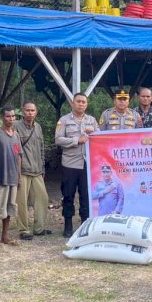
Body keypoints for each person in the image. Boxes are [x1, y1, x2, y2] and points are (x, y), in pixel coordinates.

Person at [55, 93, 98, 236]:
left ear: (87, 104)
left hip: (87, 163)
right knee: (68, 195)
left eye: (83, 102)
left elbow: (100, 139)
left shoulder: (92, 120)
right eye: (78, 101)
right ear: (72, 104)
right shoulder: (64, 120)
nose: (81, 104)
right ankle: (68, 226)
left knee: (86, 196)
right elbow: (58, 140)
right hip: (70, 164)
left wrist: (94, 134)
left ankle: (85, 226)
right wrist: (76, 140)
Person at [15, 101, 51, 240]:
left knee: (42, 198)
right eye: (27, 110)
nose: (30, 113)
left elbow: (42, 148)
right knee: (22, 202)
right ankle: (23, 230)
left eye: (33, 110)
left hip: (37, 171)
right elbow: (14, 150)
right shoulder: (16, 126)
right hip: (23, 170)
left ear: (36, 112)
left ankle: (39, 228)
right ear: (22, 112)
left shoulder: (38, 127)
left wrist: (43, 167)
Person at [0, 106, 22, 247]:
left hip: (13, 177)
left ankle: (5, 236)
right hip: (0, 177)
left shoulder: (16, 135)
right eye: (8, 116)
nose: (11, 119)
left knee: (10, 208)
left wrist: (19, 176)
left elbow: (19, 157)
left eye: (13, 116)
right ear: (2, 117)